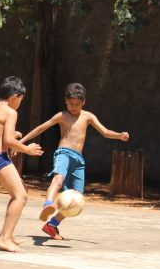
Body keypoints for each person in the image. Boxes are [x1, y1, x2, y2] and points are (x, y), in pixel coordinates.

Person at [19, 83, 129, 240]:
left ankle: (52, 225)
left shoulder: (88, 116)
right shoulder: (62, 116)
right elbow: (41, 128)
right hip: (63, 153)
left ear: (83, 102)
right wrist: (21, 142)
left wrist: (119, 135)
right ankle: (48, 204)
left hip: (78, 160)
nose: (74, 107)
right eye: (71, 104)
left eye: (77, 104)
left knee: (77, 199)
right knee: (58, 179)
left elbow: (105, 132)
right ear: (66, 101)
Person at [0, 76, 44, 253]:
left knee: (21, 191)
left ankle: (8, 234)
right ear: (15, 97)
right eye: (21, 100)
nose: (20, 103)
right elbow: (8, 140)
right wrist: (27, 149)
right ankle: (5, 239)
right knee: (20, 196)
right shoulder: (10, 112)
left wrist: (5, 135)